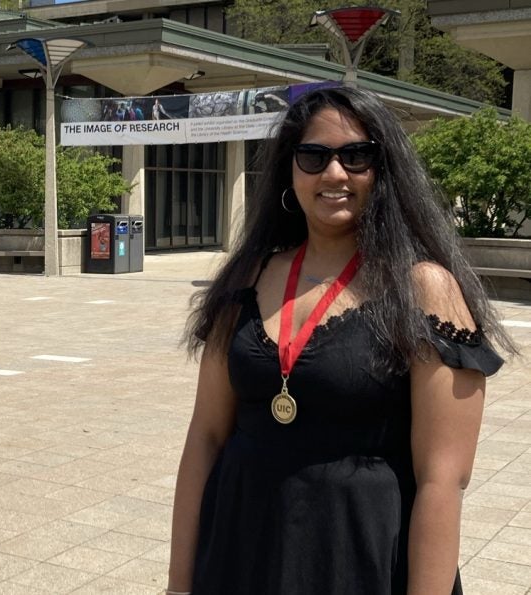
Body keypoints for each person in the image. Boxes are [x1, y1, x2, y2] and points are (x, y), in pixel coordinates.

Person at [166, 86, 514, 594]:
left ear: (383, 171)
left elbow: (444, 479)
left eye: (356, 156)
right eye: (314, 156)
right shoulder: (247, 275)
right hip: (241, 549)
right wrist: (179, 584)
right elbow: (206, 437)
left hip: (360, 553)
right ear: (290, 170)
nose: (334, 174)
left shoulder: (424, 288)